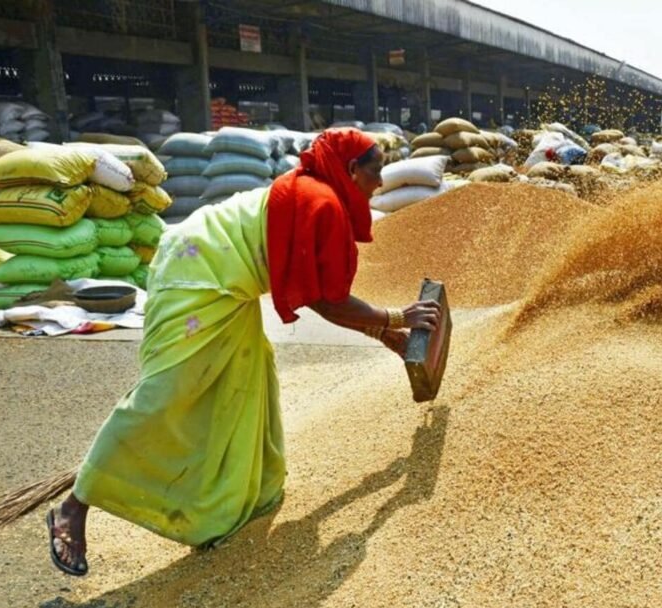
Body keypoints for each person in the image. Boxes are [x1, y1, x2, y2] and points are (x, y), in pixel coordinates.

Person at [45, 128, 441, 577]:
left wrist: (385, 334)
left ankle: (237, 503)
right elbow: (324, 301)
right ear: (351, 170)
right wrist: (394, 319)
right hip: (194, 272)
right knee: (168, 391)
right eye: (375, 172)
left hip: (224, 282)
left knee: (244, 379)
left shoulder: (321, 194)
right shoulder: (322, 202)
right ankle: (74, 506)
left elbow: (315, 288)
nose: (381, 182)